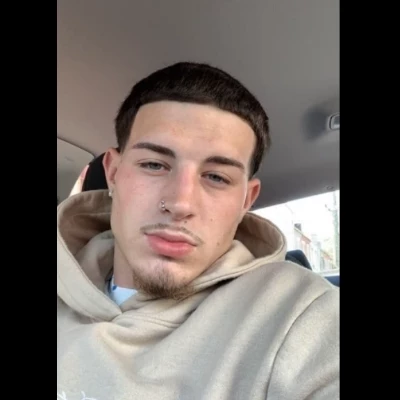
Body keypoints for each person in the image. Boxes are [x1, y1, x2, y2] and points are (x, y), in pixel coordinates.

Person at [57, 61, 339, 400]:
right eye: (154, 165)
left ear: (246, 201)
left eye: (216, 177)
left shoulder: (301, 316)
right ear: (113, 173)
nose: (180, 203)